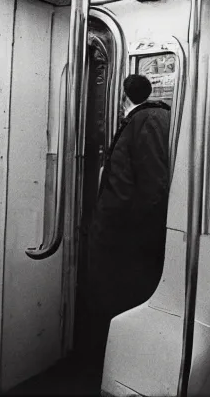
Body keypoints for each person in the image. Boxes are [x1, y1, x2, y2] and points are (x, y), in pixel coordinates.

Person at [76, 73, 171, 379]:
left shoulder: (147, 121)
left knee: (117, 306)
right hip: (122, 240)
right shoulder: (145, 120)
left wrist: (135, 238)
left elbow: (154, 187)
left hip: (126, 245)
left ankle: (107, 371)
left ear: (124, 96)